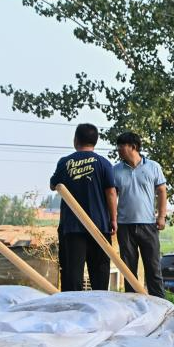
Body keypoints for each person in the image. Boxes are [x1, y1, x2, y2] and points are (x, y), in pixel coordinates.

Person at [50, 123, 117, 291]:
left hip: (72, 229)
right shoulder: (104, 164)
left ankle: (71, 313)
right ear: (95, 141)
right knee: (100, 276)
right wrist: (113, 219)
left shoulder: (65, 162)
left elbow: (53, 185)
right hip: (99, 227)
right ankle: (101, 312)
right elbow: (111, 193)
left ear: (76, 139)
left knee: (71, 277)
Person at [113, 131, 167, 298]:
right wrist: (112, 219)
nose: (119, 150)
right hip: (124, 226)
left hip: (148, 224)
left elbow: (162, 191)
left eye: (122, 146)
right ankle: (133, 306)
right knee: (129, 270)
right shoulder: (115, 170)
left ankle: (160, 305)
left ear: (133, 147)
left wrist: (161, 216)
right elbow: (112, 196)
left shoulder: (153, 167)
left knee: (153, 267)